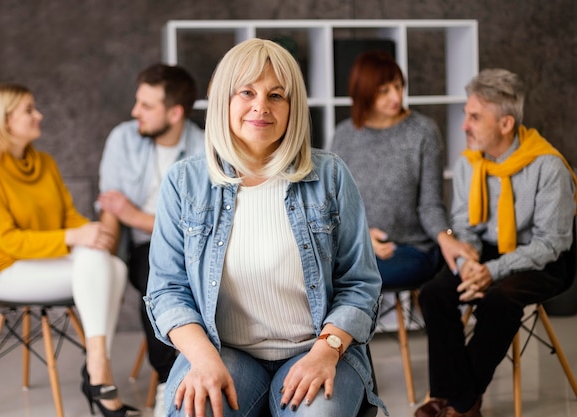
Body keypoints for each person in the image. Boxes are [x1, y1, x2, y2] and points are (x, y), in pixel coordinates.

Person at [144, 38, 386, 417]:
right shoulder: (184, 182)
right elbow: (167, 291)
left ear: (293, 108)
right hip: (225, 350)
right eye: (247, 92)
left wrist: (325, 352)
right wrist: (203, 360)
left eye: (277, 95)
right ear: (224, 99)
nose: (261, 106)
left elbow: (360, 283)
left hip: (315, 347)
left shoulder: (331, 175)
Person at [0, 83, 141, 417]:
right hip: (2, 269)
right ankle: (98, 371)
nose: (39, 115)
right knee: (99, 263)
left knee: (113, 266)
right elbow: (10, 241)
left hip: (44, 259)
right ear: (4, 122)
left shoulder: (44, 162)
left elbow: (68, 217)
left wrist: (92, 233)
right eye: (29, 110)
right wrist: (76, 238)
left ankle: (95, 364)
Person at [415, 69, 577, 417]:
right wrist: (468, 261)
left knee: (499, 299)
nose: (464, 125)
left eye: (474, 117)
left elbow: (553, 243)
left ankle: (458, 402)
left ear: (505, 124)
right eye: (466, 114)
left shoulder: (548, 167)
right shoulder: (469, 163)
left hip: (544, 257)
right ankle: (457, 398)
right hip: (487, 250)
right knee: (434, 294)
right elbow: (464, 224)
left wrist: (492, 271)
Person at [97, 63, 205, 416]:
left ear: (174, 113)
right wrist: (105, 251)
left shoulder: (204, 148)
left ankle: (202, 372)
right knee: (154, 280)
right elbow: (112, 207)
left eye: (146, 106)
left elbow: (197, 223)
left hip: (197, 247)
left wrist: (135, 215)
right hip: (142, 248)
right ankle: (166, 382)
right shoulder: (123, 138)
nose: (135, 112)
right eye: (137, 102)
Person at [331, 51, 477, 291]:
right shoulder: (344, 135)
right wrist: (361, 238)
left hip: (411, 249)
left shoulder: (423, 132)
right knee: (319, 271)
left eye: (398, 87)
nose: (396, 97)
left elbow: (430, 204)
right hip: (356, 245)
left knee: (353, 279)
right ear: (363, 92)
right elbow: (335, 201)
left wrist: (446, 239)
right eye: (384, 90)